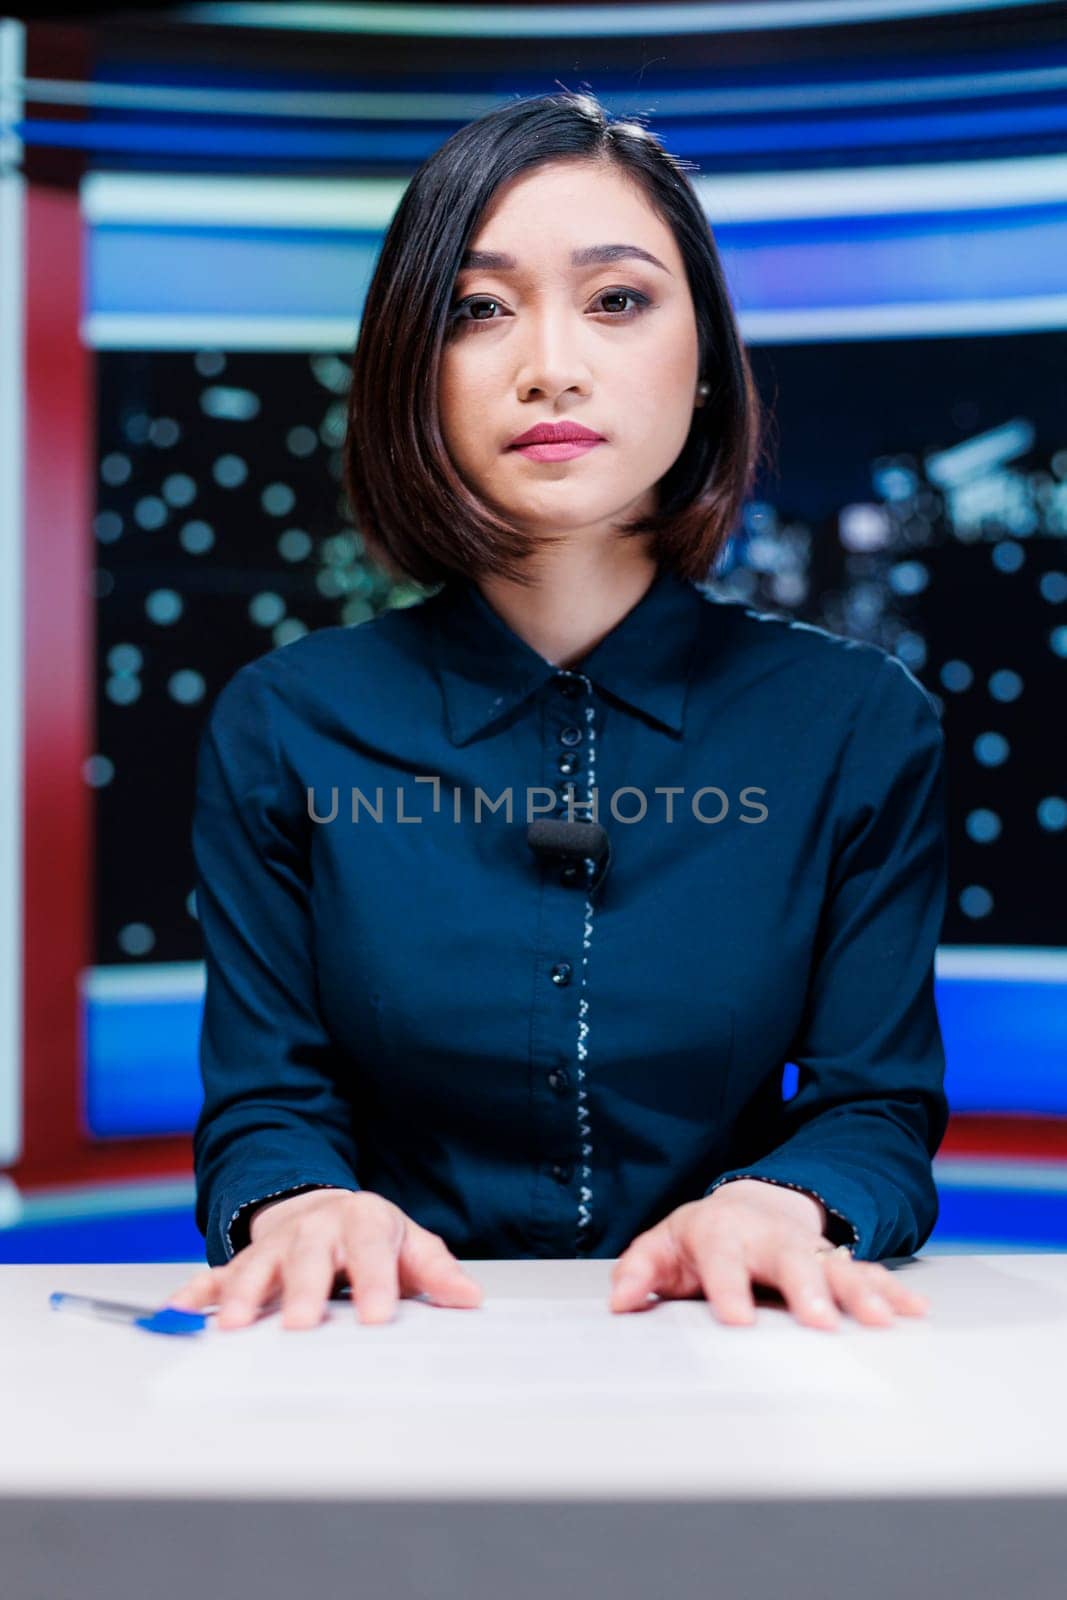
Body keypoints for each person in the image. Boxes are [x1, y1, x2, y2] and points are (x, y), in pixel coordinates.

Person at [167, 91, 945, 1336]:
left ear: (703, 365)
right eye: (478, 309)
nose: (550, 365)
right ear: (412, 370)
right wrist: (302, 1200)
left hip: (732, 1343)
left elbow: (877, 1104)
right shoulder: (285, 724)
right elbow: (266, 1102)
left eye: (617, 300)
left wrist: (782, 1200)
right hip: (380, 1352)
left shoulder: (854, 723)